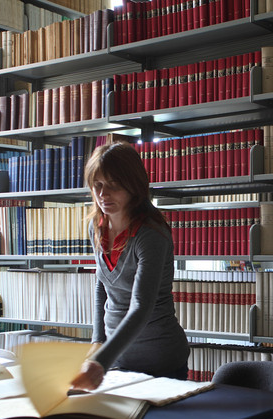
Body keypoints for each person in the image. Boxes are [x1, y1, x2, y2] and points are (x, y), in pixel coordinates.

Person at [71, 142, 190, 391]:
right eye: (98, 186)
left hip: (159, 359)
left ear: (133, 187)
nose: (104, 194)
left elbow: (141, 306)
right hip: (116, 361)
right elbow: (102, 283)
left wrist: (100, 361)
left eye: (113, 186)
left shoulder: (151, 234)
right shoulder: (96, 226)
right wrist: (97, 341)